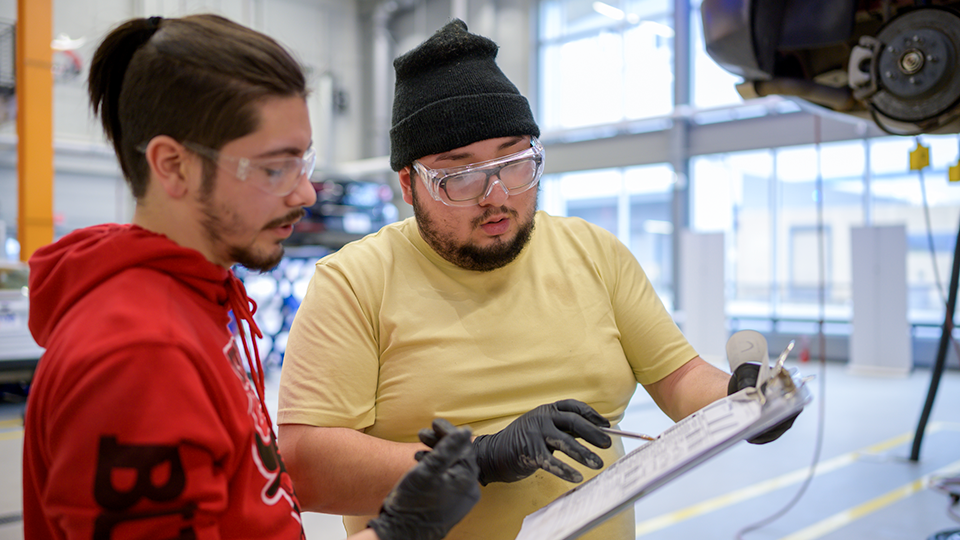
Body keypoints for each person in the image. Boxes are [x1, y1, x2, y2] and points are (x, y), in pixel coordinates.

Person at [276, 19, 798, 540]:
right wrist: (480, 460)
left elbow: (678, 377)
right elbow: (304, 467)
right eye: (461, 176)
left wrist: (738, 398)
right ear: (409, 186)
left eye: (516, 162)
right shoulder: (354, 281)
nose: (497, 196)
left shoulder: (593, 252)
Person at [22, 14, 481, 540]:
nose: (306, 195)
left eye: (303, 163)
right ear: (173, 166)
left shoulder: (195, 305)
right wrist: (399, 531)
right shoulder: (140, 353)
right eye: (274, 168)